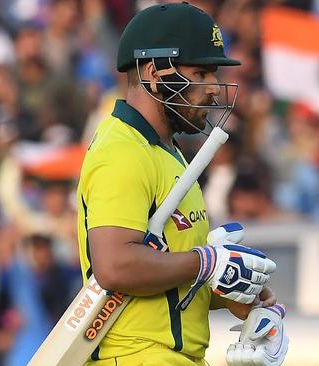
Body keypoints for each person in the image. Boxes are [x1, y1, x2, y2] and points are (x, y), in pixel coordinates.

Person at [75, 3, 286, 366]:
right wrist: (205, 262)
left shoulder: (170, 153)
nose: (213, 89)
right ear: (154, 71)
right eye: (200, 72)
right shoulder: (123, 150)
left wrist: (233, 289)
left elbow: (168, 277)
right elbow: (115, 265)